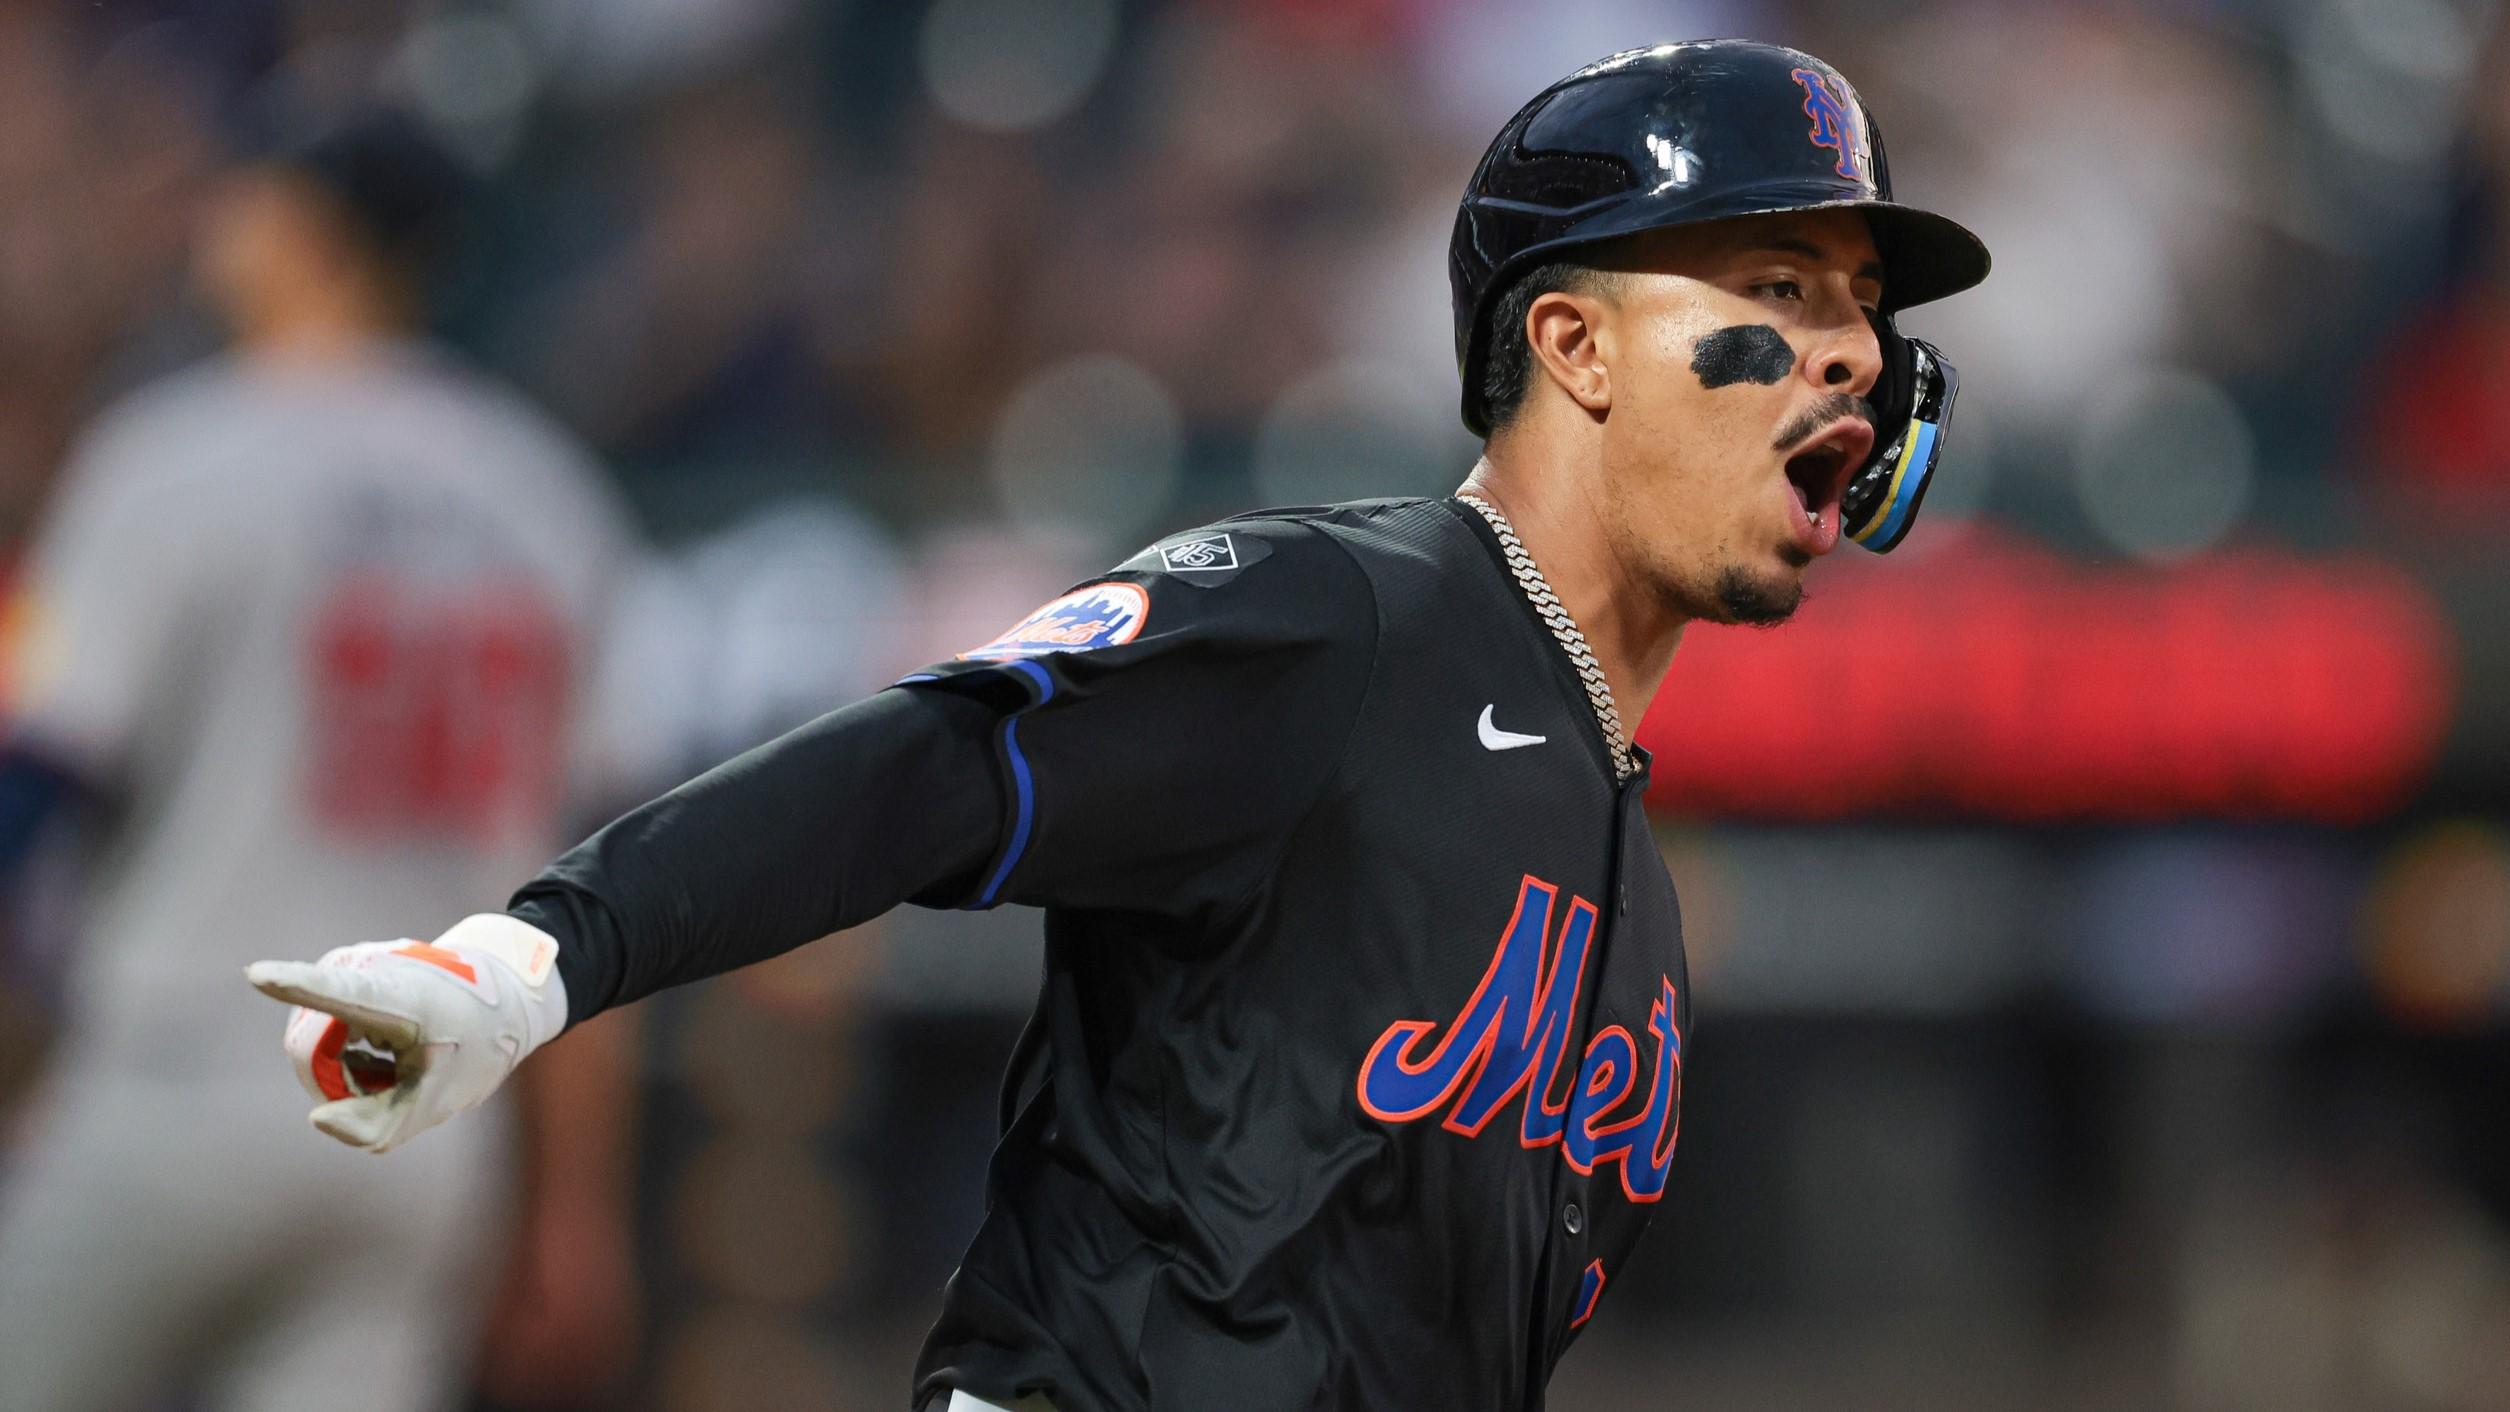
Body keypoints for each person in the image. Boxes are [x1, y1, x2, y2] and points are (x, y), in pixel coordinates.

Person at [248, 41, 1989, 1412]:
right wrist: (535, 958)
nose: (1849, 353)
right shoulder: (1345, 615)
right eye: (1778, 284)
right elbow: (936, 759)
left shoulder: (1638, 897)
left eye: (1858, 305)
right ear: (1573, 343)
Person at [0, 110, 644, 1412]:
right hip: (419, 1133)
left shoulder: (178, 452)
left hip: (177, 1080)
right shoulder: (548, 497)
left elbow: (30, 806)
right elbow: (593, 900)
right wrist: (573, 1209)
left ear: (303, 234)